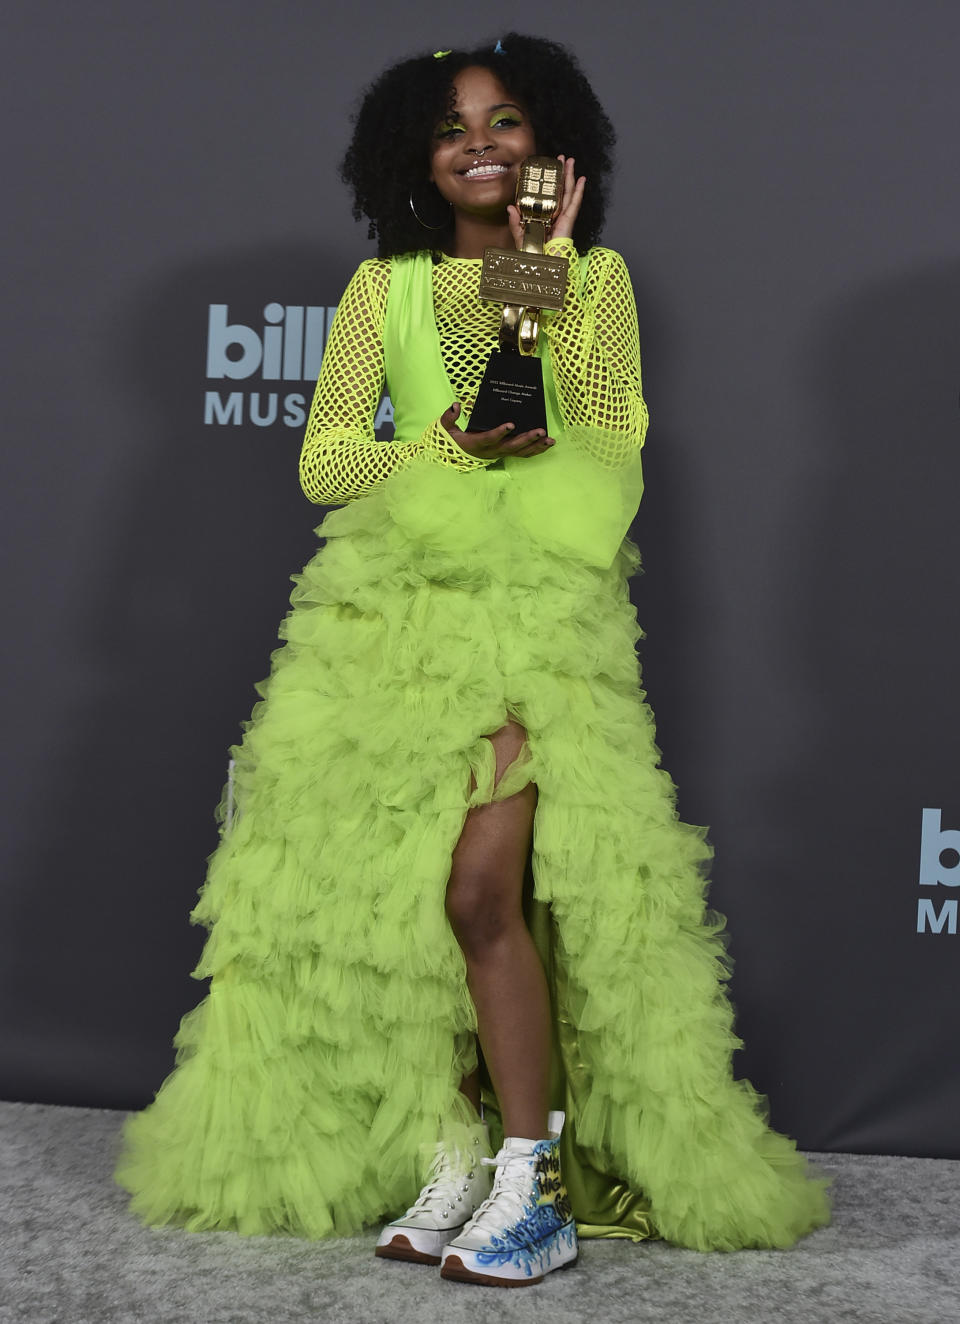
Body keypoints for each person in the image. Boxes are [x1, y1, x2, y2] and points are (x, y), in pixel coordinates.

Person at [115, 33, 830, 1288]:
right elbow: (327, 464)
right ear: (416, 159)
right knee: (398, 904)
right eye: (452, 129)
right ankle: (451, 1152)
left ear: (552, 146)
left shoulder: (592, 277)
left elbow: (611, 436)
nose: (481, 144)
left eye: (504, 122)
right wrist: (444, 439)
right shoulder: (381, 291)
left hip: (539, 621)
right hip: (388, 617)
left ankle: (531, 1177)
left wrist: (544, 286)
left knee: (481, 894)